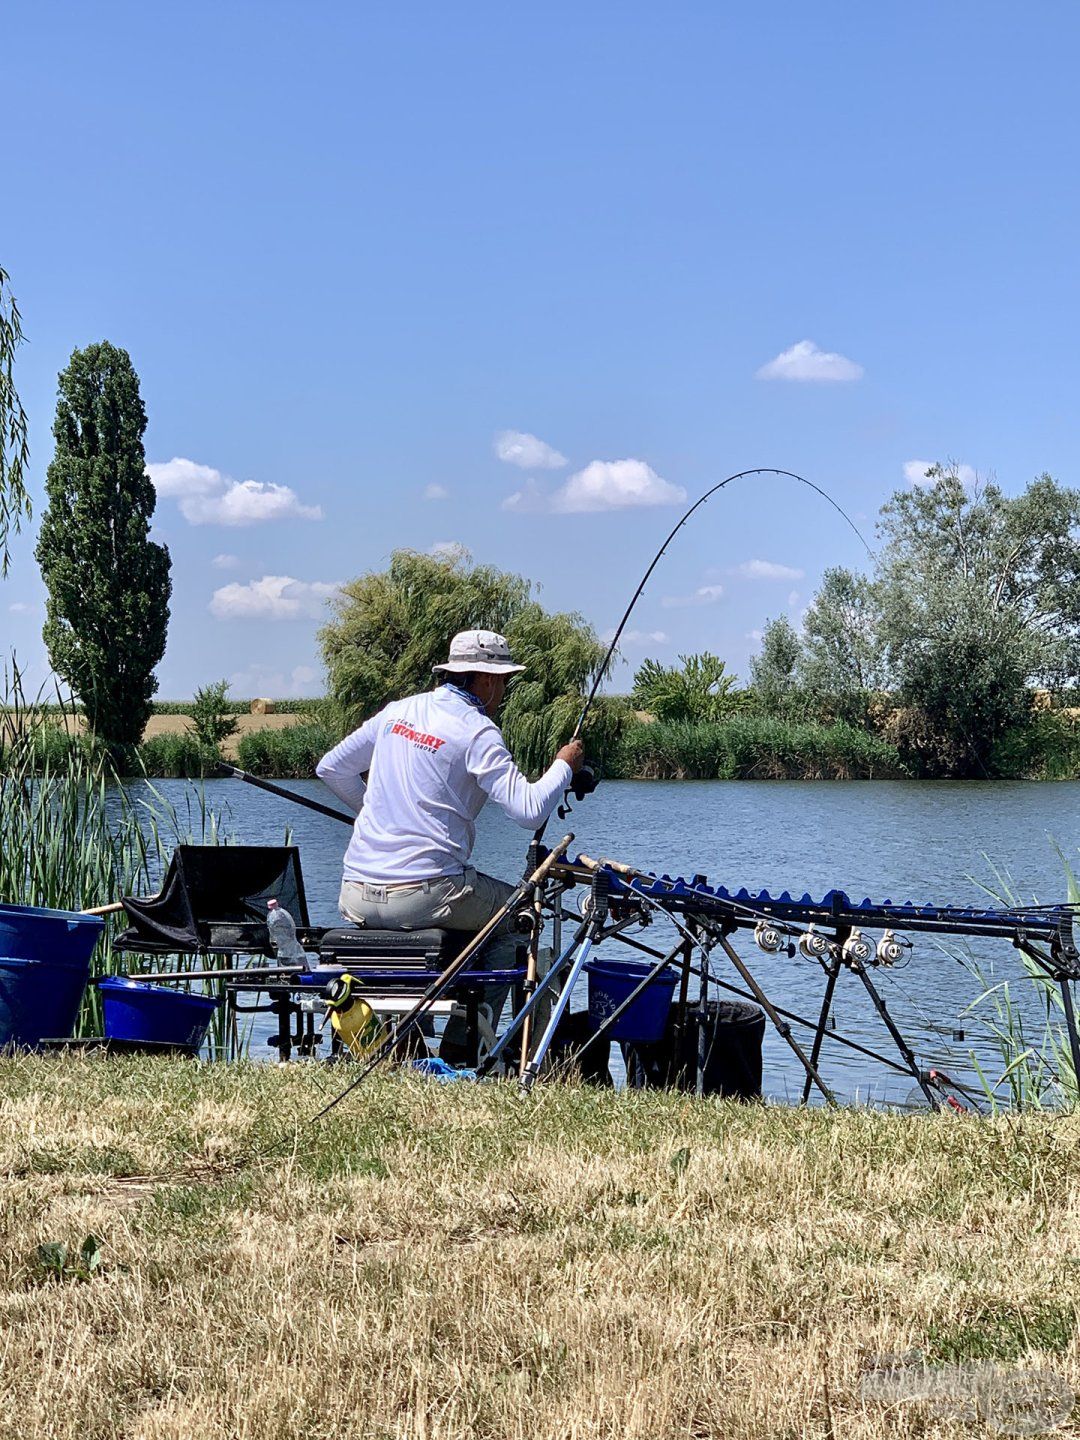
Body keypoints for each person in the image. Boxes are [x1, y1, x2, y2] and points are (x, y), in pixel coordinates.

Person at [315, 629, 585, 1054]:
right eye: (504, 681)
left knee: (475, 910)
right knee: (518, 915)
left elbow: (331, 769)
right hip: (425, 892)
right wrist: (563, 766)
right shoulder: (476, 731)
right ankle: (464, 1047)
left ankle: (405, 1041)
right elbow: (529, 810)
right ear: (486, 680)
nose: (504, 692)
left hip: (355, 893)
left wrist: (374, 813)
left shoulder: (396, 713)